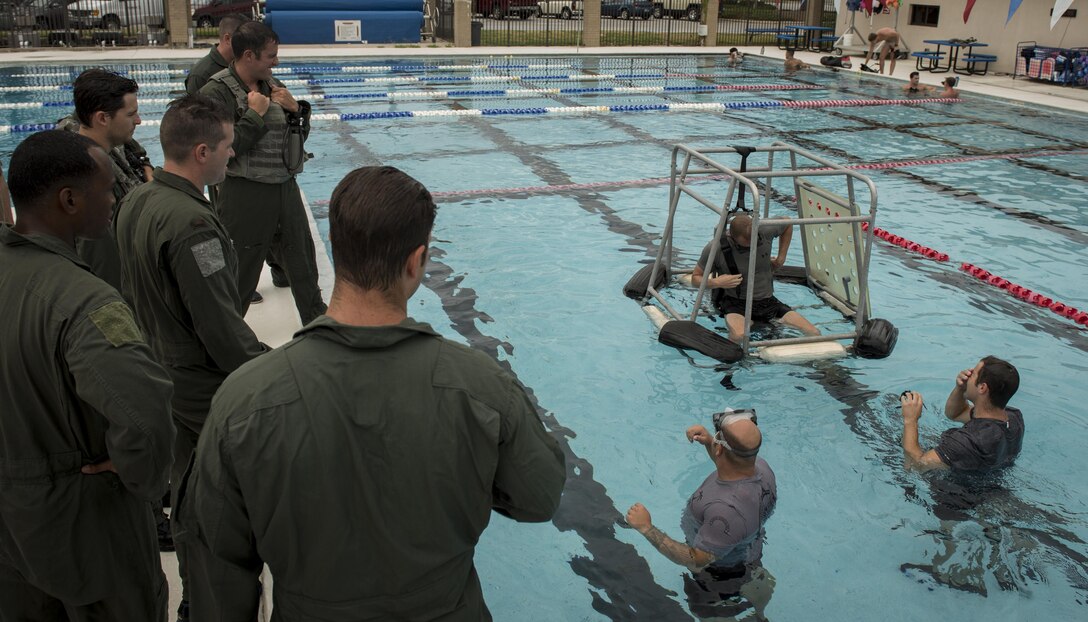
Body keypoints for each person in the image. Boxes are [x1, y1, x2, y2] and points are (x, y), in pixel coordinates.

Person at [178, 165, 566, 620]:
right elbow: (539, 498)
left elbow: (216, 567)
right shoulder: (482, 387)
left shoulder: (244, 400)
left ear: (335, 248)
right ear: (416, 261)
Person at [0, 130, 175, 620]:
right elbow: (144, 417)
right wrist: (137, 471)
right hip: (86, 525)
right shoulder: (85, 302)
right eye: (105, 189)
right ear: (69, 200)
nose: (114, 198)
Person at [114, 94, 267, 622]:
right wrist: (270, 367)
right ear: (202, 152)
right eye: (227, 146)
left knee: (184, 488)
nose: (232, 154)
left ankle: (194, 602)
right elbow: (220, 329)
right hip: (199, 385)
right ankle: (210, 604)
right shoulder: (192, 225)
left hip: (160, 369)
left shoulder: (139, 199)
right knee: (216, 508)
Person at [200, 21, 326, 325]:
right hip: (245, 193)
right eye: (271, 56)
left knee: (304, 264)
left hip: (285, 188)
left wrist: (297, 111)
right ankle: (229, 336)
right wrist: (254, 115)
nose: (276, 61)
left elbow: (295, 141)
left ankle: (319, 327)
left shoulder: (273, 85)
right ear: (248, 55)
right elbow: (222, 151)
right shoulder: (216, 92)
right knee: (240, 271)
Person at [626, 409, 777, 619]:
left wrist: (647, 528)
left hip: (718, 578)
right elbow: (733, 463)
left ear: (720, 450)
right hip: (749, 556)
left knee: (705, 611)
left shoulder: (725, 513)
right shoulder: (762, 468)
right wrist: (709, 442)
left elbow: (695, 560)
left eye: (717, 438)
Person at [56, 69, 149, 293]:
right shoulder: (87, 180)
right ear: (102, 118)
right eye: (131, 114)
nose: (138, 120)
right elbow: (105, 271)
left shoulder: (109, 150)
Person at [691, 213, 819, 342]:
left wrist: (781, 258)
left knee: (813, 332)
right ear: (732, 237)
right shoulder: (715, 248)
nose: (752, 247)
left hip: (768, 302)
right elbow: (695, 279)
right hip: (736, 304)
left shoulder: (765, 231)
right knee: (738, 335)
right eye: (746, 244)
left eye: (755, 241)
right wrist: (717, 282)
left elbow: (787, 222)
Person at [901, 356, 1023, 473]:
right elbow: (955, 414)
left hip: (953, 485)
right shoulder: (1014, 417)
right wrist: (961, 388)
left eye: (973, 374)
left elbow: (915, 465)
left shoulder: (967, 442)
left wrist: (911, 419)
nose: (968, 375)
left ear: (982, 388)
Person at [184, 13, 251, 95]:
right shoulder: (200, 75)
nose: (250, 46)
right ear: (228, 39)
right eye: (244, 40)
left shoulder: (245, 64)